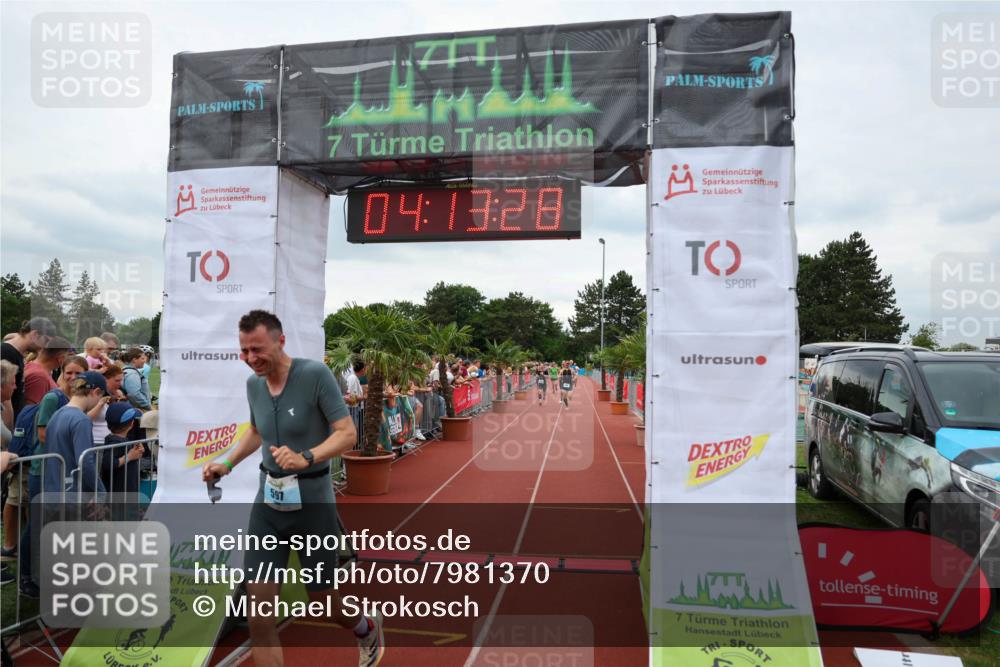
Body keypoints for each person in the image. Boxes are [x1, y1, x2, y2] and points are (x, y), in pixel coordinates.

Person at [201, 310, 383, 667]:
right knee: (259, 615)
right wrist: (226, 463)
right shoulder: (254, 384)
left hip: (313, 505)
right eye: (244, 351)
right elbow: (256, 431)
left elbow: (347, 433)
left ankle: (365, 627)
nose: (250, 358)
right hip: (268, 507)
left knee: (324, 602)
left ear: (280, 341)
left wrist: (307, 457)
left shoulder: (314, 375)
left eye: (257, 349)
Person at [1, 317, 56, 418]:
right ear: (35, 334)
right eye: (46, 340)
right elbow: (5, 400)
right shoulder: (6, 353)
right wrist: (11, 430)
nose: (45, 347)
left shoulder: (17, 354)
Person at [99, 402, 144, 494]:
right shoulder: (115, 442)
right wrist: (129, 456)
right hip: (118, 495)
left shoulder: (121, 440)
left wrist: (137, 451)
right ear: (131, 424)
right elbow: (108, 464)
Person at [22, 337, 69, 406]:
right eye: (66, 356)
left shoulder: (34, 368)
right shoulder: (39, 376)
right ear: (60, 358)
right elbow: (31, 410)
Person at [121, 348, 152, 412]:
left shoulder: (128, 371)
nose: (144, 361)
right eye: (142, 358)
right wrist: (147, 406)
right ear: (134, 360)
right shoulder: (132, 374)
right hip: (136, 410)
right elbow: (134, 394)